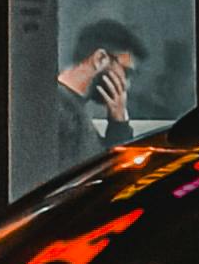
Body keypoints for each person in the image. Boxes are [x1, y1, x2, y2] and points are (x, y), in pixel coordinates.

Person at [52, 16, 150, 167]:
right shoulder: (62, 110)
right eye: (126, 72)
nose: (127, 85)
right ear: (100, 58)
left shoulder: (70, 107)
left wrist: (118, 122)